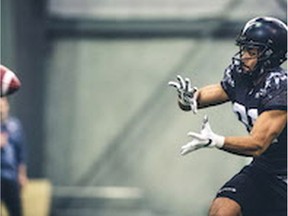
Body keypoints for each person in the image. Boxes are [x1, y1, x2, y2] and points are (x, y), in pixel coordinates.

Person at [168, 16, 287, 216]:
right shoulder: (242, 76)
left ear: (271, 55)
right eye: (244, 49)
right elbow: (198, 99)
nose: (244, 57)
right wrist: (187, 98)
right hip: (266, 168)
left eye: (252, 51)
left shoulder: (279, 87)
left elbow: (257, 144)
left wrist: (217, 141)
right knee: (221, 211)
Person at [1, 97, 28, 216]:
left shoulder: (14, 126)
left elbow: (20, 153)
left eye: (2, 106)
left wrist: (22, 175)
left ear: (7, 107)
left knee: (16, 211)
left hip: (11, 177)